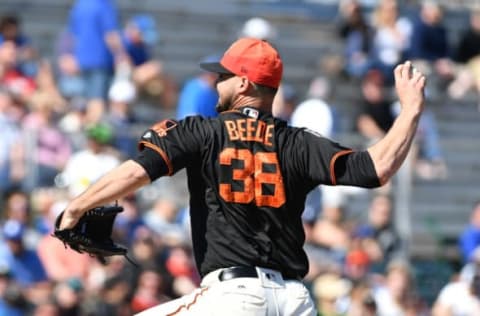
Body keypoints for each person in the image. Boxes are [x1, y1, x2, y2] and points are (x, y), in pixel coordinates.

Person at [58, 37, 426, 315]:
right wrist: (410, 110)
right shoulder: (297, 142)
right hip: (294, 301)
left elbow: (137, 172)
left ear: (244, 84)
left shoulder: (202, 131)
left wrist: (76, 207)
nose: (216, 81)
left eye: (223, 75)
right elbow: (377, 167)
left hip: (234, 296)